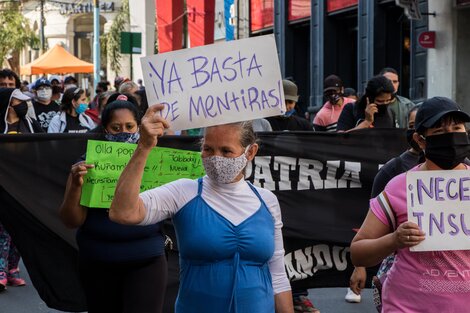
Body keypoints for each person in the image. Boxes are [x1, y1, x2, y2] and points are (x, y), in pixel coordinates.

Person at [109, 107, 294, 313]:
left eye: (226, 151)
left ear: (250, 152)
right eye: (208, 149)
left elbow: (277, 275)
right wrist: (143, 146)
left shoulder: (267, 201)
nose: (215, 158)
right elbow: (123, 212)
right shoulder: (183, 192)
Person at [350, 96, 470, 312]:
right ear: (421, 140)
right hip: (407, 306)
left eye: (457, 128)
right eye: (440, 133)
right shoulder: (399, 187)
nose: (451, 137)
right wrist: (394, 240)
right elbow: (358, 252)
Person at [59, 99, 167, 313]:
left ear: (139, 126)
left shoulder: (156, 162)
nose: (123, 133)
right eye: (115, 128)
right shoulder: (85, 165)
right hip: (98, 262)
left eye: (130, 127)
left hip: (146, 260)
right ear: (105, 129)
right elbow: (71, 221)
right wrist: (75, 187)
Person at [346, 105, 420, 304]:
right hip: (402, 275)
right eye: (414, 125)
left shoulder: (463, 172)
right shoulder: (392, 173)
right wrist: (360, 266)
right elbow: (370, 224)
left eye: (455, 129)